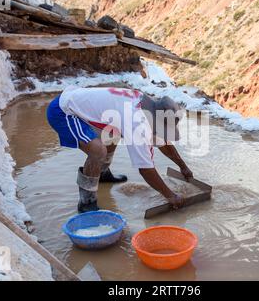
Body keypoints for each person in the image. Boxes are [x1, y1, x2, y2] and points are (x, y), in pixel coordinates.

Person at [46, 86, 193, 213]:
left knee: (113, 134)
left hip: (80, 102)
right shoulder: (136, 121)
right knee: (98, 151)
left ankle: (102, 174)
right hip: (63, 111)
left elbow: (164, 143)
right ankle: (86, 202)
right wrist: (170, 196)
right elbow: (145, 168)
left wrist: (183, 167)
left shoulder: (148, 107)